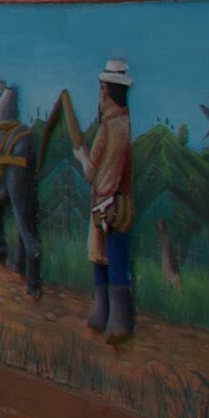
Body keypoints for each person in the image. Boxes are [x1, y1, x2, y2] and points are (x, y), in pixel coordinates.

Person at [85, 57, 138, 343]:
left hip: (107, 204)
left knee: (108, 257)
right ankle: (109, 315)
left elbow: (92, 171)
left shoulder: (109, 127)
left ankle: (115, 319)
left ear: (106, 91)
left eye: (101, 89)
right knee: (111, 256)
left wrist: (81, 155)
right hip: (119, 201)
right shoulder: (124, 123)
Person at [0, 79, 40, 294]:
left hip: (4, 156)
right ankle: (18, 261)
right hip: (19, 147)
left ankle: (31, 272)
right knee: (25, 212)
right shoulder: (5, 105)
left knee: (22, 216)